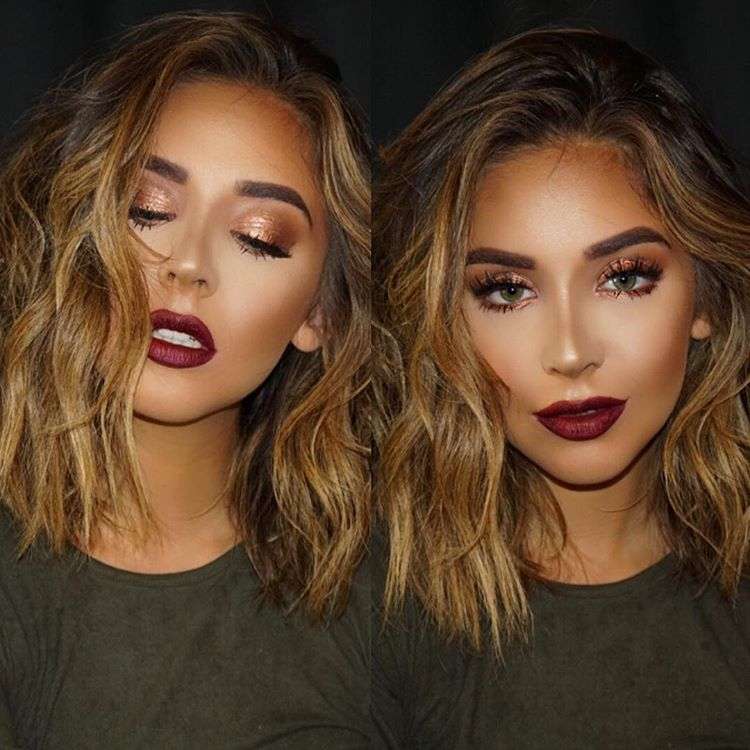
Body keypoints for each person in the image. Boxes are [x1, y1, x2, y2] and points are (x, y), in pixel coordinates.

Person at [0, 10, 370, 749]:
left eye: (258, 238)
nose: (189, 264)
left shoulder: (397, 588)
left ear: (320, 313)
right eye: (150, 209)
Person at [372, 27, 750, 749]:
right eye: (508, 290)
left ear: (705, 295)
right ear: (441, 319)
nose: (572, 353)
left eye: (625, 278)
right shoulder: (366, 608)